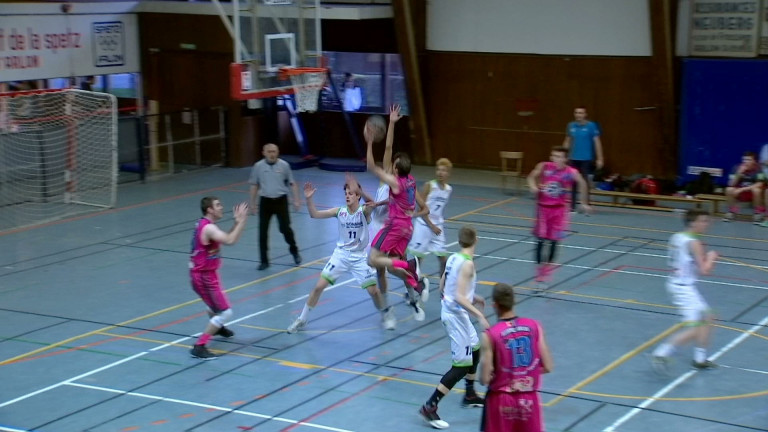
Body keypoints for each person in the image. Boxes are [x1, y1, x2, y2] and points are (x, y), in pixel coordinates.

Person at [287, 177, 387, 333]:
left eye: (351, 193)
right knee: (318, 287)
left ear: (358, 196)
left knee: (374, 291)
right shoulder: (339, 212)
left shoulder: (364, 212)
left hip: (359, 258)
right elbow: (314, 214)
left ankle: (385, 313)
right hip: (340, 256)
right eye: (346, 193)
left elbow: (372, 204)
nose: (347, 196)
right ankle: (302, 319)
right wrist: (309, 199)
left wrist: (360, 190)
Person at [419, 226, 489, 429]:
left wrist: (472, 297)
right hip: (455, 316)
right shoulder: (468, 265)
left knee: (476, 349)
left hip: (455, 311)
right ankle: (430, 406)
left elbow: (443, 285)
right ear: (476, 239)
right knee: (460, 366)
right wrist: (480, 315)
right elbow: (458, 295)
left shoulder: (453, 258)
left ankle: (469, 394)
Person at [365, 118, 429, 330]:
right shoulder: (400, 180)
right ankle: (387, 310)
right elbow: (389, 146)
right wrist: (391, 123)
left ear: (395, 168)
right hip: (384, 227)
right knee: (381, 271)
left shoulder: (394, 181)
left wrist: (370, 141)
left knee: (387, 267)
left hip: (391, 228)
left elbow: (385, 151)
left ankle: (413, 297)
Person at [652, 208, 719, 373]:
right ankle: (661, 353)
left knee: (708, 317)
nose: (707, 224)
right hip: (683, 288)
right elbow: (705, 270)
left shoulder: (677, 236)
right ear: (692, 223)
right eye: (703, 220)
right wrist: (711, 258)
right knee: (696, 327)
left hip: (679, 284)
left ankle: (700, 359)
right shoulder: (694, 243)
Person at [480, 283, 553, 432]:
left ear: (494, 305)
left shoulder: (490, 335)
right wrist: (524, 375)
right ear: (514, 301)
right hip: (529, 399)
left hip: (501, 400)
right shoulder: (534, 326)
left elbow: (484, 379)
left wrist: (508, 376)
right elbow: (548, 366)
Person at [189, 197, 249, 360]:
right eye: (218, 205)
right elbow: (230, 240)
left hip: (204, 274)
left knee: (214, 306)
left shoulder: (205, 224)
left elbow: (226, 235)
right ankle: (200, 345)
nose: (222, 207)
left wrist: (236, 223)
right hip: (204, 276)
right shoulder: (208, 228)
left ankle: (218, 327)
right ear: (209, 209)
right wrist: (242, 221)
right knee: (226, 311)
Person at [526, 146, 591, 286]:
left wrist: (584, 202)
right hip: (543, 209)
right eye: (555, 156)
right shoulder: (544, 166)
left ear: (565, 159)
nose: (557, 159)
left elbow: (583, 183)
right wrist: (532, 186)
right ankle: (539, 270)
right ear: (551, 157)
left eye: (560, 157)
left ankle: (548, 267)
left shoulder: (570, 172)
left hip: (559, 211)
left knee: (554, 242)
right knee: (540, 240)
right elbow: (531, 176)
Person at [405, 157, 454, 301]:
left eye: (444, 170)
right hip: (424, 226)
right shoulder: (429, 186)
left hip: (437, 228)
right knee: (417, 261)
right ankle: (411, 292)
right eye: (438, 169)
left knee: (443, 260)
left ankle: (443, 290)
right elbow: (422, 207)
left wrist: (436, 225)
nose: (440, 172)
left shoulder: (449, 189)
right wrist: (431, 225)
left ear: (448, 173)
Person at [249, 143, 302, 270]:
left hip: (281, 201)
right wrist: (252, 203)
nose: (272, 154)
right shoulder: (258, 166)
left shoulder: (284, 166)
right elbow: (254, 185)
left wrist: (296, 200)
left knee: (285, 229)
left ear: (277, 153)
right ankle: (264, 261)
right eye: (269, 151)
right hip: (265, 202)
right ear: (264, 153)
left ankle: (294, 252)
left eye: (274, 151)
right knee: (262, 232)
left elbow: (292, 183)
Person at [562, 106, 603, 212]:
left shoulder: (591, 126)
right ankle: (572, 205)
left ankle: (585, 204)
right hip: (573, 158)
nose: (578, 115)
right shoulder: (571, 126)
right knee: (573, 182)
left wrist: (600, 158)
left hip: (586, 159)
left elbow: (597, 142)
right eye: (576, 112)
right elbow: (567, 141)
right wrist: (563, 156)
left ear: (585, 114)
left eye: (581, 113)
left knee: (584, 182)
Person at [723, 151, 764, 224]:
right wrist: (739, 173)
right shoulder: (737, 168)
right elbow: (730, 183)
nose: (745, 162)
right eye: (744, 160)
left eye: (748, 160)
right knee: (729, 189)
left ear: (754, 161)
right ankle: (732, 212)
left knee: (757, 190)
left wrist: (741, 189)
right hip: (740, 194)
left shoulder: (759, 169)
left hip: (752, 193)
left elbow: (760, 184)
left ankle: (757, 214)